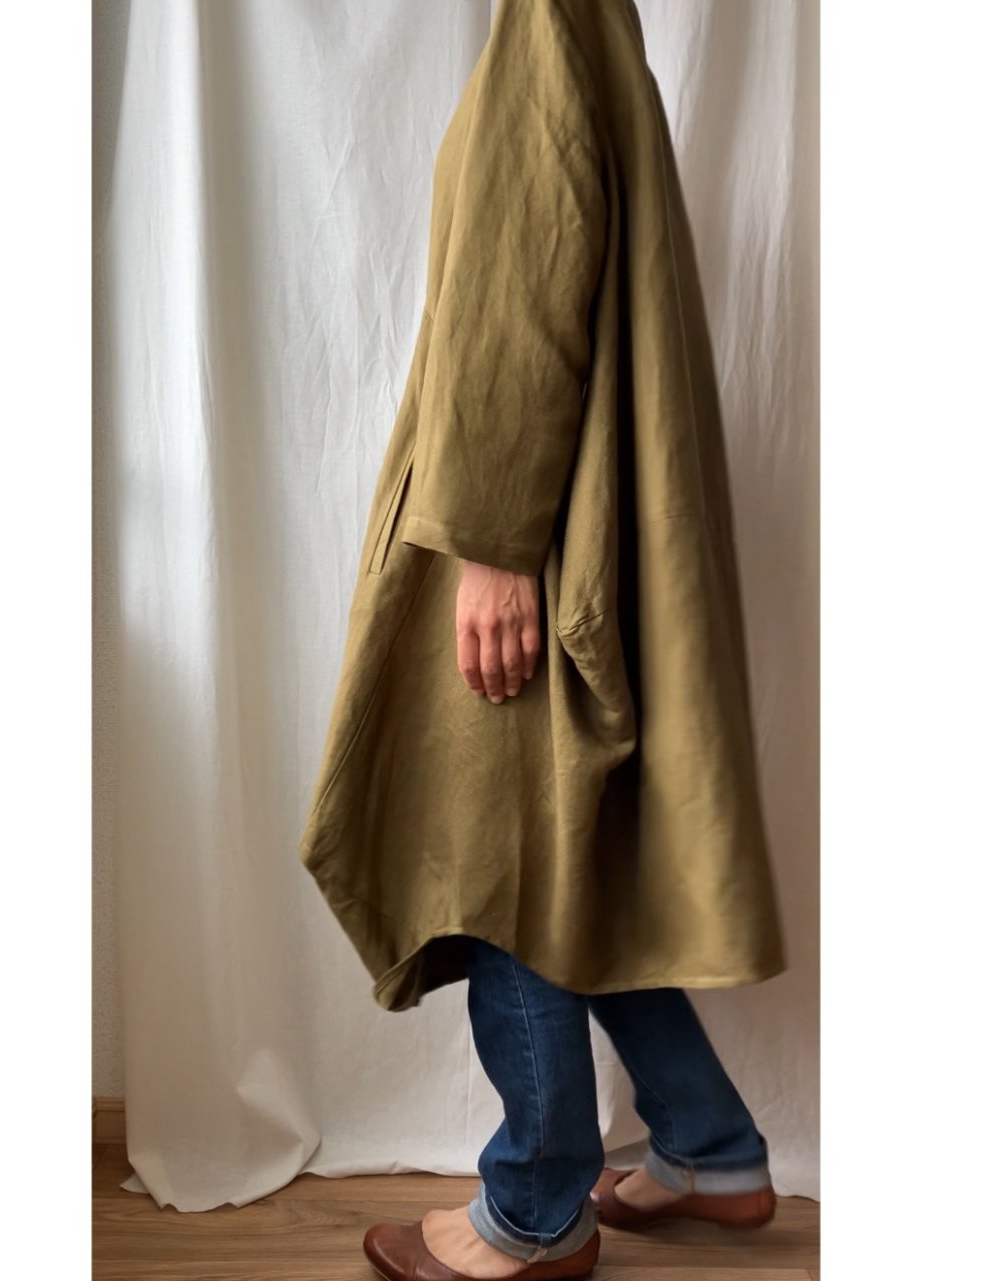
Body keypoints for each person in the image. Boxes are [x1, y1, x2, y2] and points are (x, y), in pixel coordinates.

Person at [298, 2, 788, 1278]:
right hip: (585, 515)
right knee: (570, 855)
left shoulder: (547, 20)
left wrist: (495, 546)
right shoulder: (589, 22)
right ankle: (711, 1149)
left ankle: (534, 1207)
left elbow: (522, 289)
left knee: (494, 852)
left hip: (531, 526)